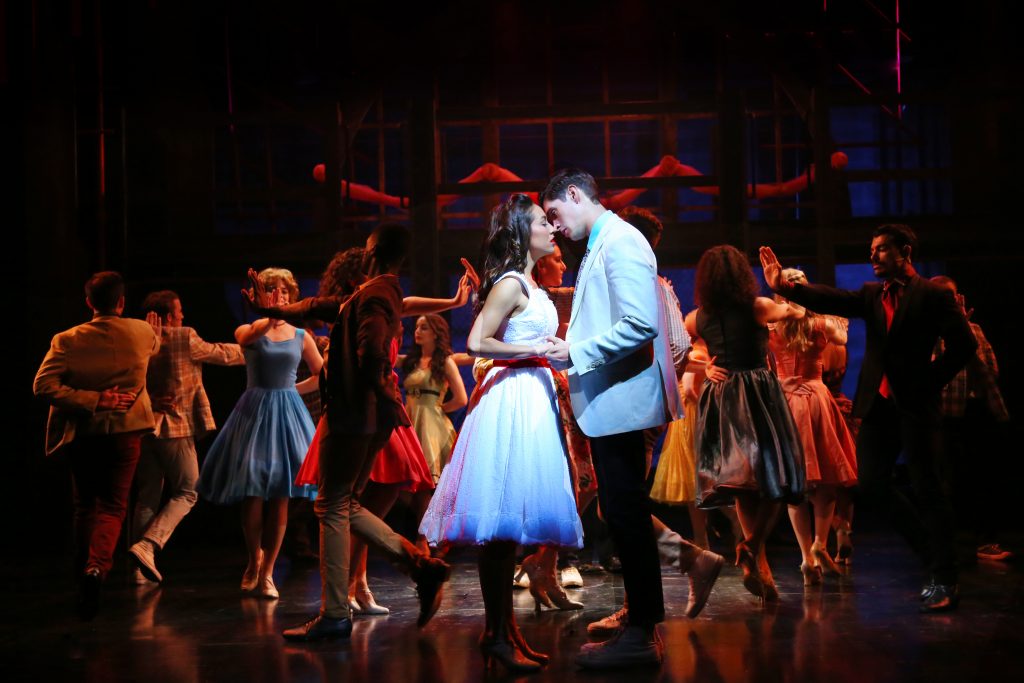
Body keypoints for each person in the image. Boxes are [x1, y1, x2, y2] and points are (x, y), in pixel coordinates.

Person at [760, 223, 976, 612]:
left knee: (927, 488)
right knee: (872, 486)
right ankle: (932, 557)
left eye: (880, 250)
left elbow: (965, 344)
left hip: (915, 403)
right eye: (872, 250)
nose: (872, 256)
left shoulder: (933, 295)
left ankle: (945, 575)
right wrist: (787, 287)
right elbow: (833, 299)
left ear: (905, 251)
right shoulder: (871, 295)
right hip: (878, 405)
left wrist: (929, 381)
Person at [261, 224, 450, 642]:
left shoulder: (378, 295)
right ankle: (420, 566)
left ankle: (334, 614)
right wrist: (276, 311)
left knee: (330, 505)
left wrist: (382, 392)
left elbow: (372, 351)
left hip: (352, 415)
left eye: (366, 245)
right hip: (364, 414)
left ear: (375, 250)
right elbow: (319, 305)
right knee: (341, 503)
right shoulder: (376, 292)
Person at [419, 193, 583, 673]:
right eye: (540, 221)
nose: (551, 228)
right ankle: (494, 634)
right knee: (500, 525)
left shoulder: (531, 283)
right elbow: (476, 341)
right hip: (511, 400)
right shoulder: (511, 282)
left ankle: (505, 631)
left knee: (510, 529)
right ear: (519, 231)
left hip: (533, 396)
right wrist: (534, 349)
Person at [541, 168, 683, 669]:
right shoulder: (606, 241)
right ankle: (641, 623)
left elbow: (642, 324)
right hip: (616, 402)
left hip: (624, 401)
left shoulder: (621, 240)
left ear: (576, 195)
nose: (554, 227)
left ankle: (643, 634)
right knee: (625, 516)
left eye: (555, 214)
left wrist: (574, 353)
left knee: (626, 515)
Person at [33, 271, 160, 619]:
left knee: (85, 506)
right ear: (121, 302)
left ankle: (83, 575)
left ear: (88, 302)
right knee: (114, 506)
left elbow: (42, 386)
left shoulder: (67, 340)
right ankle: (96, 569)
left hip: (84, 433)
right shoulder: (142, 331)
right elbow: (155, 346)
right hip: (126, 432)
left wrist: (93, 399)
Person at [196, 268, 322, 601]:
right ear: (261, 295)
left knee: (282, 493)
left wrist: (294, 389)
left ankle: (267, 574)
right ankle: (254, 560)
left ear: (291, 296)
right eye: (271, 290)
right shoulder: (251, 328)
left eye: (284, 291)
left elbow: (322, 372)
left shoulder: (300, 335)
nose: (278, 296)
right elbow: (244, 340)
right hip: (254, 411)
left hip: (287, 412)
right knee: (253, 490)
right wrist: (266, 315)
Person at [693, 245, 806, 605]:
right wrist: (784, 285)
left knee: (741, 482)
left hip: (723, 396)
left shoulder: (698, 316)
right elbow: (797, 311)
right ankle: (752, 546)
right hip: (757, 394)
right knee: (776, 477)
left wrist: (704, 368)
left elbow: (679, 346)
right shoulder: (758, 307)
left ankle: (760, 566)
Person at [128, 290, 245, 585]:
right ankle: (148, 544)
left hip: (145, 426)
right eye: (179, 312)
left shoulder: (140, 341)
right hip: (174, 427)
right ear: (168, 317)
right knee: (188, 491)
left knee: (147, 496)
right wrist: (259, 347)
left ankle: (138, 571)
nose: (183, 316)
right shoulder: (183, 336)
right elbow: (221, 353)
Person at [768, 269, 859, 586]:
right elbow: (843, 337)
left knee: (796, 488)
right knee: (828, 481)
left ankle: (807, 556)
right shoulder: (820, 325)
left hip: (786, 403)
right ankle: (821, 544)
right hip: (816, 399)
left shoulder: (774, 327)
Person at [930, 276, 1012, 563]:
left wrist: (962, 329)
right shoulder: (927, 330)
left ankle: (986, 540)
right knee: (944, 478)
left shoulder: (973, 329)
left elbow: (992, 370)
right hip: (942, 413)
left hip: (976, 410)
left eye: (950, 297)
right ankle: (944, 546)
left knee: (983, 476)